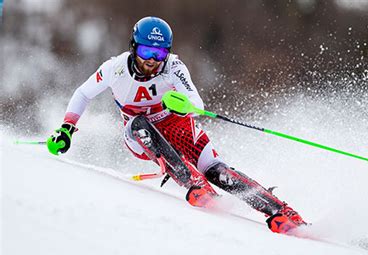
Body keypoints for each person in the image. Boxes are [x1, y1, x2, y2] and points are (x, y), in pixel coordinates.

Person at [47, 16, 306, 233]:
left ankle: (280, 211)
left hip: (176, 125)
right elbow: (83, 93)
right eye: (146, 51)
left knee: (217, 171)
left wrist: (183, 103)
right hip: (139, 134)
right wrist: (68, 127)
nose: (152, 60)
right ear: (134, 47)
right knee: (138, 124)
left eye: (159, 53)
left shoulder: (173, 67)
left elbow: (197, 101)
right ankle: (193, 182)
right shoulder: (115, 68)